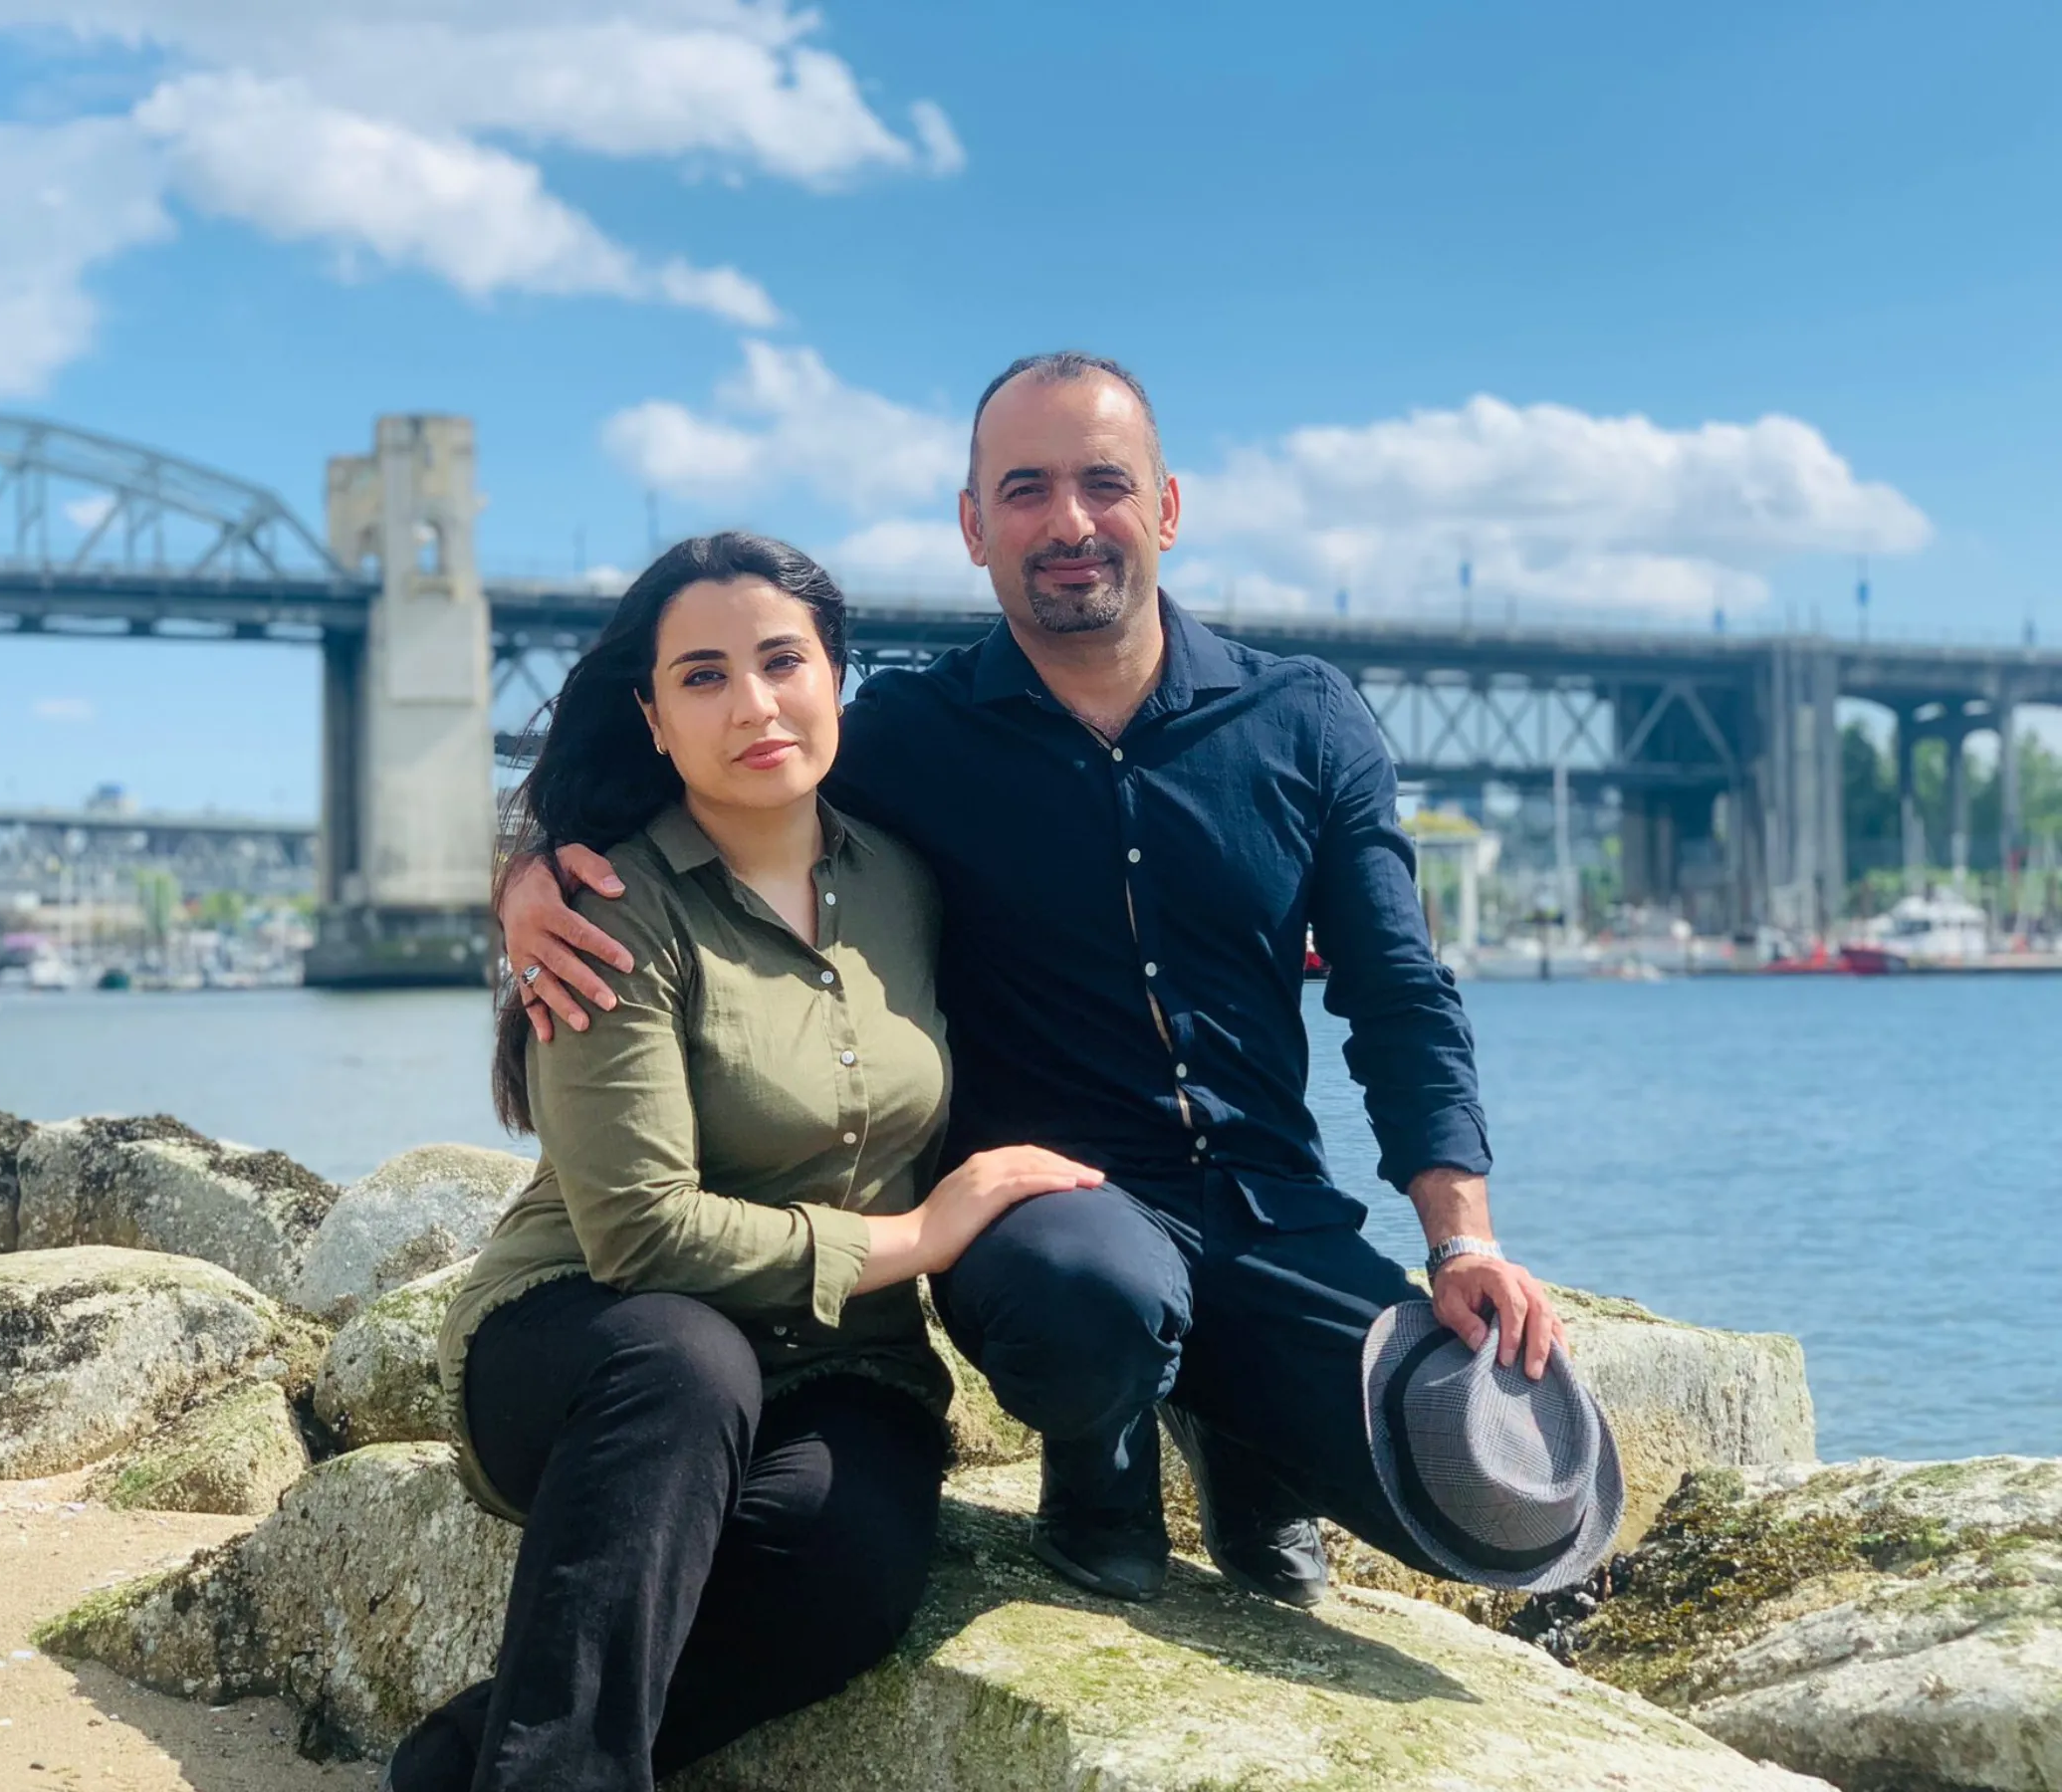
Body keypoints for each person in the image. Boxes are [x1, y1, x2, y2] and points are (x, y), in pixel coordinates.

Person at [503, 352, 1575, 1612]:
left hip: (1270, 1210)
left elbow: (1397, 993)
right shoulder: (901, 734)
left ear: (1165, 510)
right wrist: (525, 877)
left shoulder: (1310, 719)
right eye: (1024, 490)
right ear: (973, 527)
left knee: (1454, 1472)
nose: (1068, 523)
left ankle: (1246, 1431)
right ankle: (1099, 1458)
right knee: (1092, 1303)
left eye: (1103, 483)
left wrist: (1462, 1238)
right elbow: (703, 774)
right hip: (1050, 1221)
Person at [394, 532, 1102, 1792]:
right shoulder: (606, 904)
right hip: (592, 1346)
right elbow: (642, 1237)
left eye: (783, 662)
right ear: (654, 720)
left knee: (847, 1572)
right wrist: (919, 1240)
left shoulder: (909, 883)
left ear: (838, 679)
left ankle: (461, 1762)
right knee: (685, 1360)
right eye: (704, 677)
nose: (755, 704)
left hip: (841, 1366)